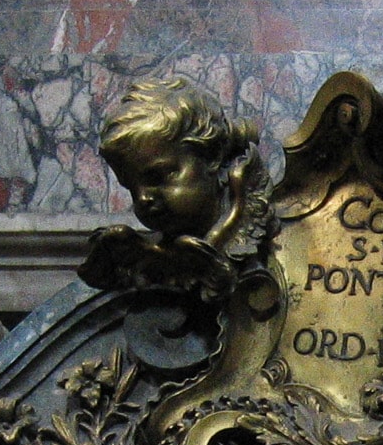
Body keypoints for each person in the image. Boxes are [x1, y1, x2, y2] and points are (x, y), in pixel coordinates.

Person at [78, 76, 273, 299]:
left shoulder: (244, 209)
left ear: (212, 156)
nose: (142, 198)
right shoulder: (154, 252)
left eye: (158, 176)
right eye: (130, 187)